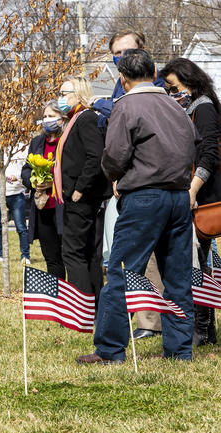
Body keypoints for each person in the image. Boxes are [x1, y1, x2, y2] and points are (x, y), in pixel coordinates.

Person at [77, 49, 197, 364]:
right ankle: (180, 351)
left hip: (144, 197)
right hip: (179, 197)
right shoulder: (176, 106)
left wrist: (115, 174)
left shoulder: (126, 105)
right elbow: (191, 145)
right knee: (178, 278)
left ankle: (110, 350)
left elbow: (115, 154)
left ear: (123, 79)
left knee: (121, 274)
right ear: (154, 72)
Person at [159, 57, 221, 346]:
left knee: (200, 262)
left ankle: (203, 329)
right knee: (197, 262)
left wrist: (193, 190)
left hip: (202, 197)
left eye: (174, 87)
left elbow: (209, 154)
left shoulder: (204, 108)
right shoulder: (188, 109)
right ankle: (203, 329)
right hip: (190, 192)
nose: (172, 94)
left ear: (190, 82)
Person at [54, 76, 109, 297]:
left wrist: (79, 188)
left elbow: (95, 157)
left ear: (79, 93)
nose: (60, 98)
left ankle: (80, 308)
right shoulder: (74, 119)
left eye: (64, 93)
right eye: (59, 93)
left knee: (72, 252)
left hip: (82, 197)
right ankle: (93, 307)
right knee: (87, 253)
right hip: (77, 196)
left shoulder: (85, 118)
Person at [21, 100, 66, 279]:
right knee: (51, 257)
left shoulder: (66, 141)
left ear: (62, 119)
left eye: (52, 116)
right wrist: (34, 181)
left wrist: (53, 182)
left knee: (67, 256)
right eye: (45, 116)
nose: (47, 120)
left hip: (62, 208)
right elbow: (26, 169)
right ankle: (57, 297)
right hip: (42, 208)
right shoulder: (37, 142)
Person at [91, 30, 165, 129]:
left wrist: (100, 104)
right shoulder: (120, 83)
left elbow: (136, 114)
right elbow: (103, 122)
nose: (123, 56)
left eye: (129, 51)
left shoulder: (155, 80)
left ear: (142, 50)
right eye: (117, 53)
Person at [0, 156, 30, 264]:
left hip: (17, 194)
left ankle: (25, 256)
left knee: (21, 227)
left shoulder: (21, 150)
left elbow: (25, 173)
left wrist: (17, 178)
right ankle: (0, 255)